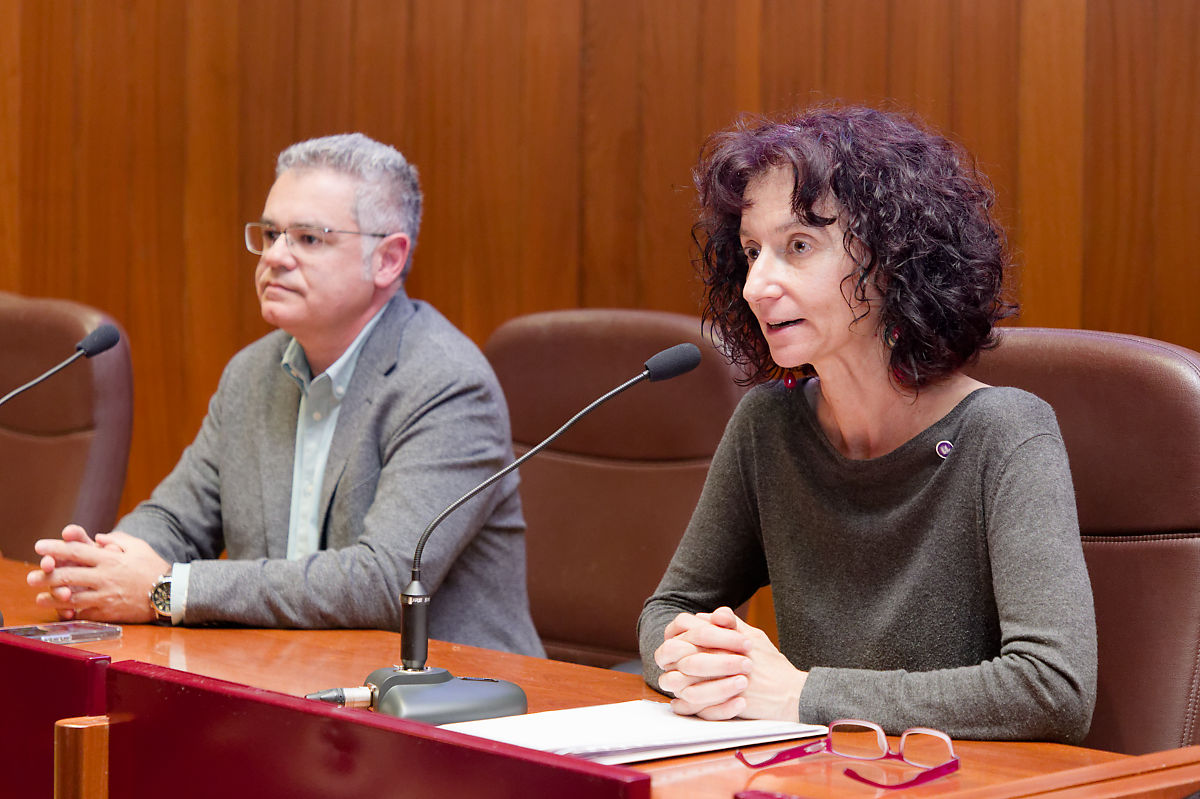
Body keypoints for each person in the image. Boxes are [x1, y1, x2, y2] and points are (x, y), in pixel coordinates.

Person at [639, 106, 1097, 742]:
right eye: (751, 252)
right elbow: (668, 612)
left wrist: (804, 693)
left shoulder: (1005, 432)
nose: (757, 284)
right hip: (814, 775)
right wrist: (697, 659)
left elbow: (1053, 688)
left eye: (798, 246)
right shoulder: (769, 426)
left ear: (893, 260)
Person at [27, 133, 544, 657]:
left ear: (387, 260)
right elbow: (176, 519)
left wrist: (166, 590)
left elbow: (385, 583)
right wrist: (104, 566)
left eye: (309, 239)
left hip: (456, 707)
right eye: (271, 233)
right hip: (294, 681)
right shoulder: (253, 373)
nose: (275, 256)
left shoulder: (447, 385)